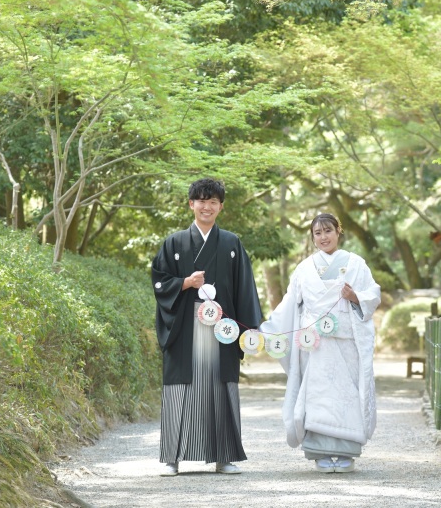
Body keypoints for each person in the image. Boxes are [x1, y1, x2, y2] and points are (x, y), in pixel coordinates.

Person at [151, 178, 263, 476]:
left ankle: (224, 457)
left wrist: (250, 327)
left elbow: (244, 288)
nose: (207, 206)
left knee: (220, 387)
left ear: (220, 207)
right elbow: (158, 280)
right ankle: (172, 458)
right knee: (180, 390)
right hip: (185, 326)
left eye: (213, 202)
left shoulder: (230, 243)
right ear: (191, 204)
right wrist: (186, 283)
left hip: (222, 328)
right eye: (201, 200)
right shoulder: (174, 243)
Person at [260, 213, 380, 473]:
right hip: (314, 343)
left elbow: (373, 295)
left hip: (346, 342)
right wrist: (269, 331)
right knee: (316, 396)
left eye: (328, 231)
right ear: (312, 237)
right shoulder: (304, 268)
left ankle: (347, 451)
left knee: (346, 394)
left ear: (339, 231)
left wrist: (355, 296)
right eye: (318, 233)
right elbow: (290, 303)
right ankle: (318, 452)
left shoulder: (357, 264)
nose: (323, 237)